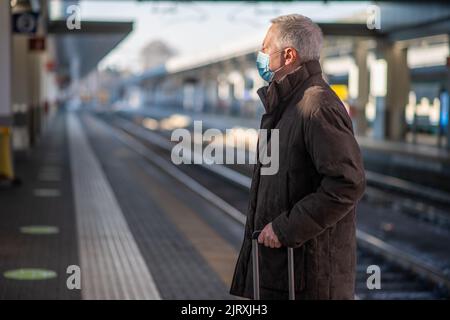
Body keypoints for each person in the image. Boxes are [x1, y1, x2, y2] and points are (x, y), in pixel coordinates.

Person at [230, 14, 366, 300]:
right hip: (285, 271)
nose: (261, 55)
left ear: (289, 55)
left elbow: (347, 183)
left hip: (306, 278)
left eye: (266, 48)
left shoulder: (316, 106)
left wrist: (285, 229)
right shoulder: (286, 105)